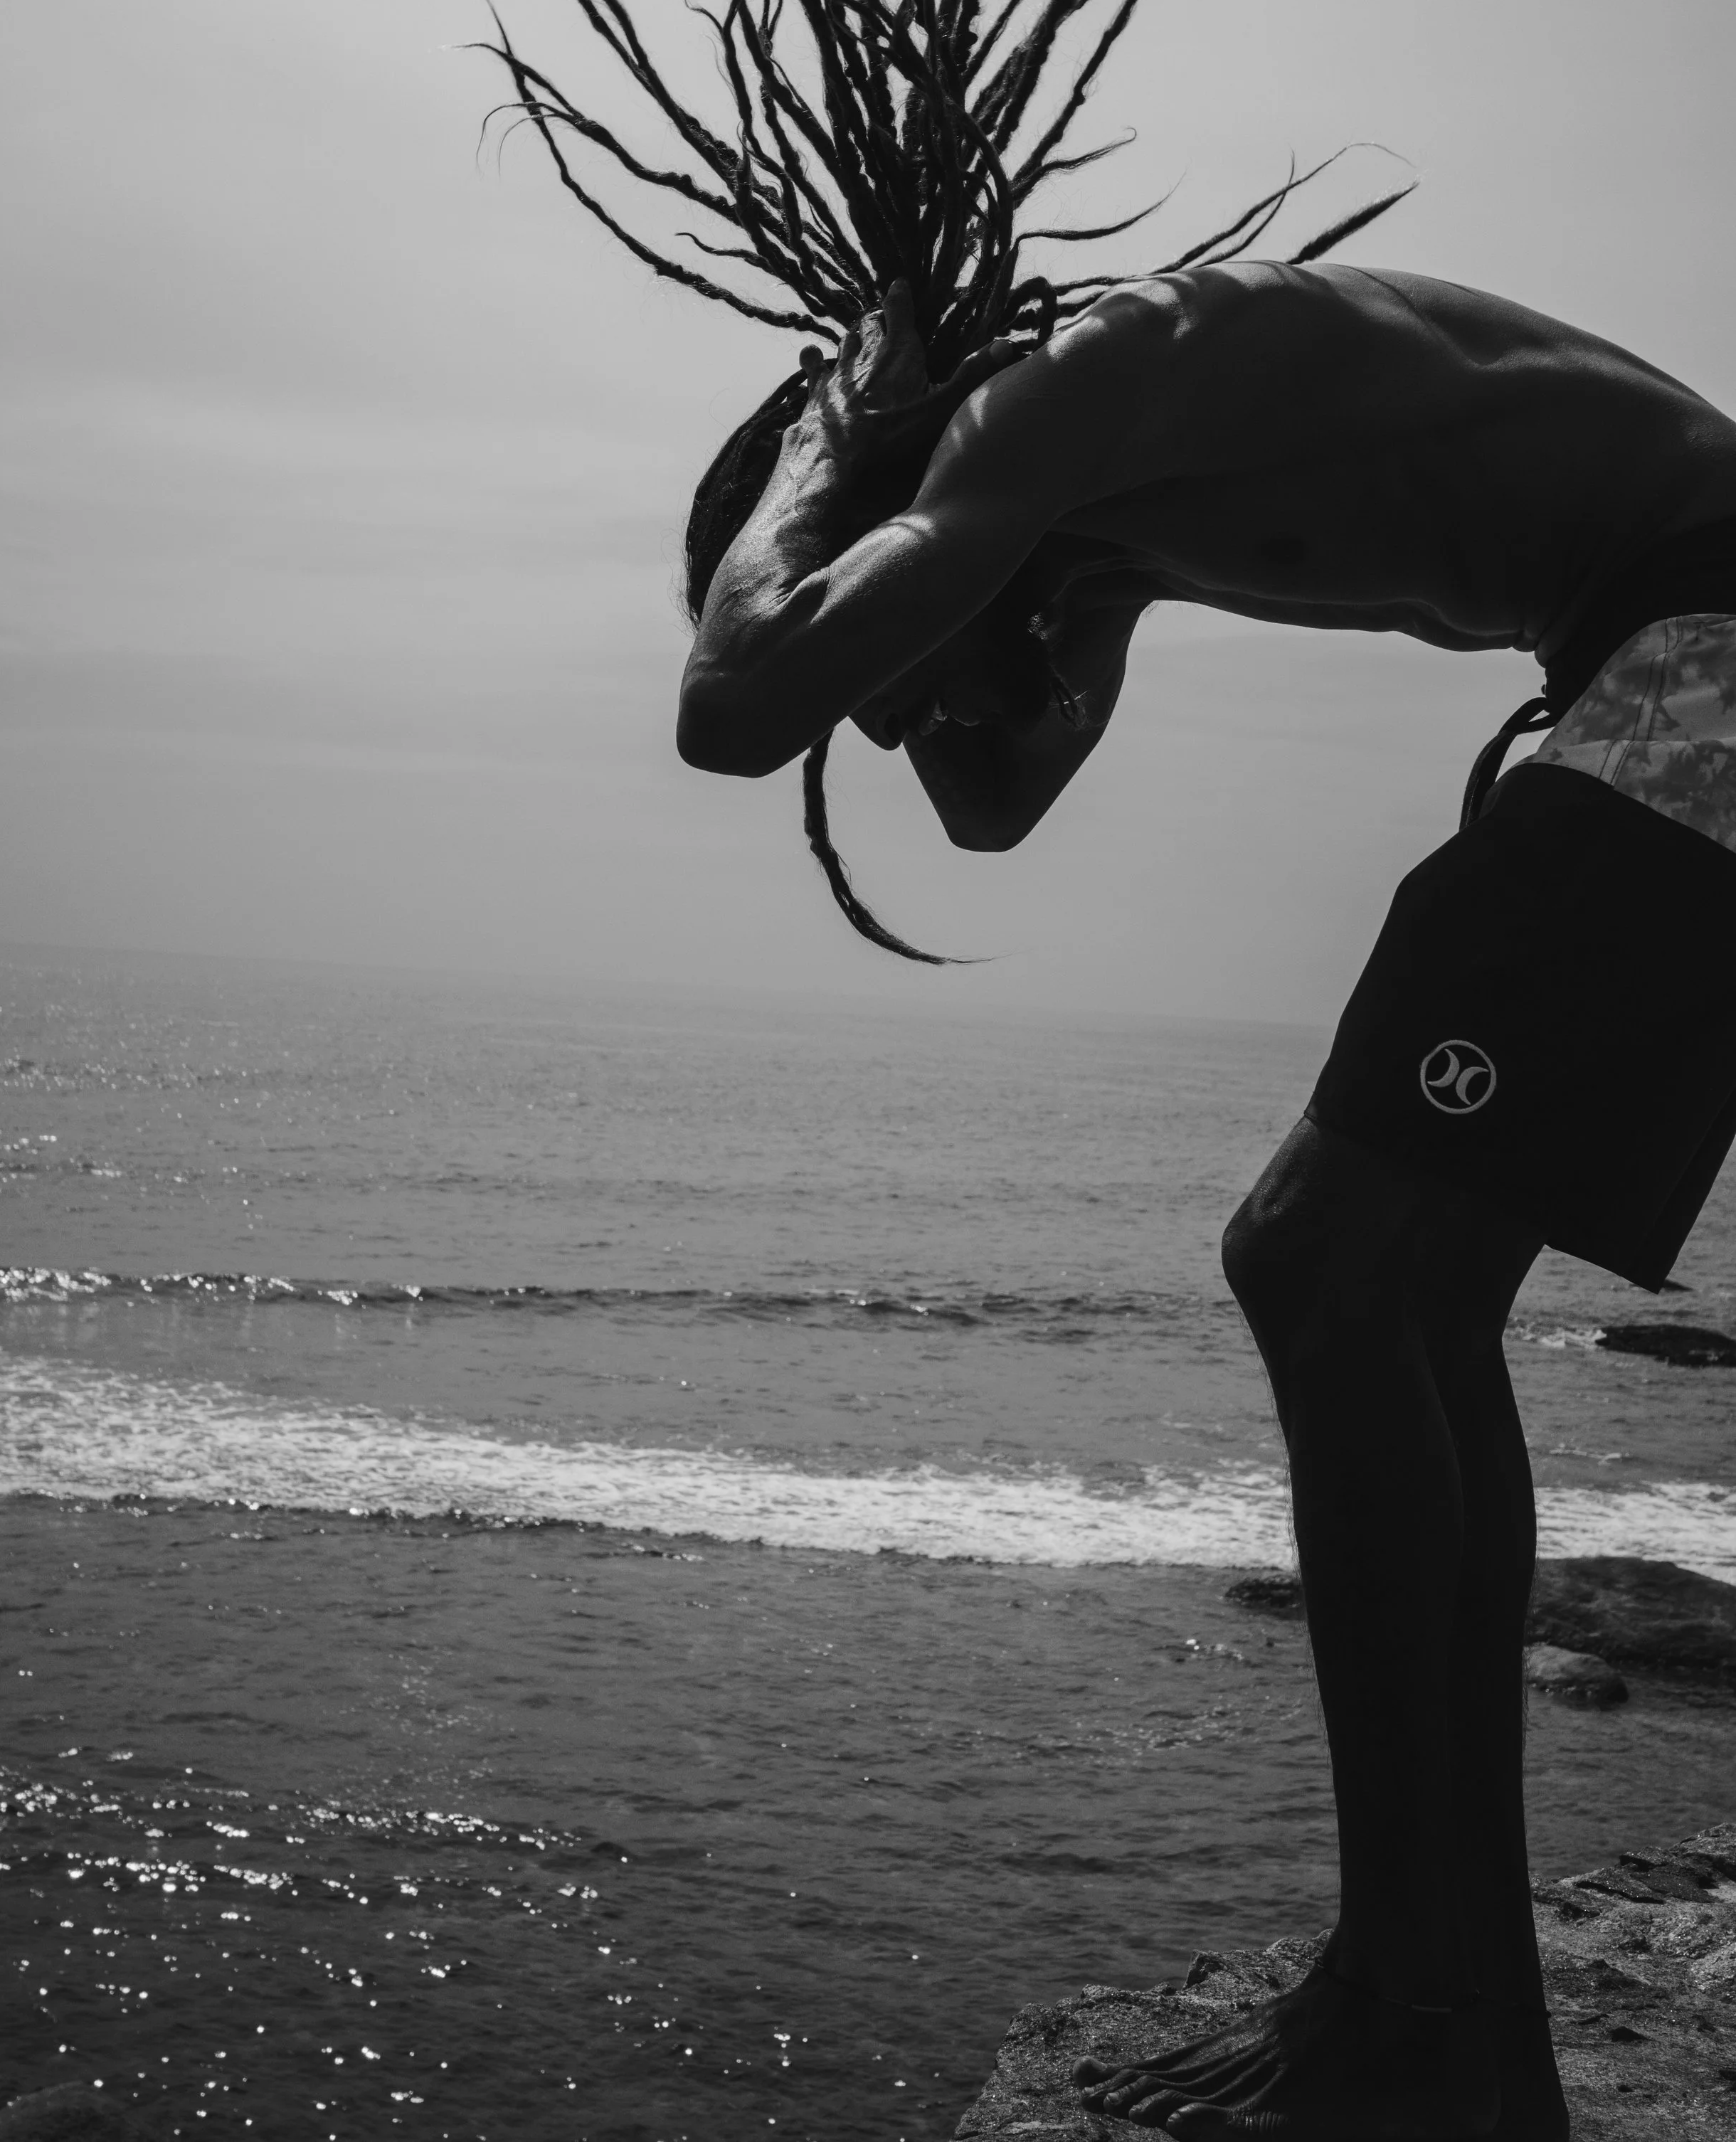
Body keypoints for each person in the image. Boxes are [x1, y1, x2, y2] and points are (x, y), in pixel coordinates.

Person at [677, 258, 1736, 2138]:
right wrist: (974, 629)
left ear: (872, 485)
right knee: (1394, 1297)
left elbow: (738, 700)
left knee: (1316, 1257)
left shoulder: (1055, 391)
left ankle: (1426, 2018)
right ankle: (1431, 2003)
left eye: (881, 638)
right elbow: (996, 802)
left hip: (1703, 658)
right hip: (1664, 672)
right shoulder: (1103, 484)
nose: (883, 707)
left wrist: (833, 449)